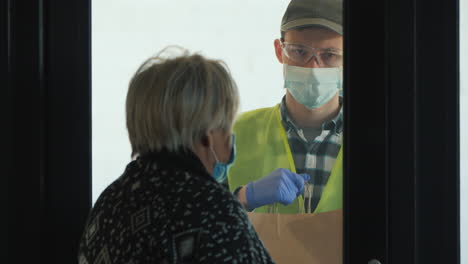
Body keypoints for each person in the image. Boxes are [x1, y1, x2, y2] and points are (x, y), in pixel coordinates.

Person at [78, 47, 275, 263]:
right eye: (227, 126)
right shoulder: (213, 211)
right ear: (206, 137)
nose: (230, 136)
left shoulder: (110, 203)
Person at [227, 0, 343, 214]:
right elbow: (193, 223)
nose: (313, 67)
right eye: (299, 51)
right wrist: (242, 199)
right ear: (279, 51)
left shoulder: (380, 140)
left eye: (329, 55)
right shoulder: (231, 134)